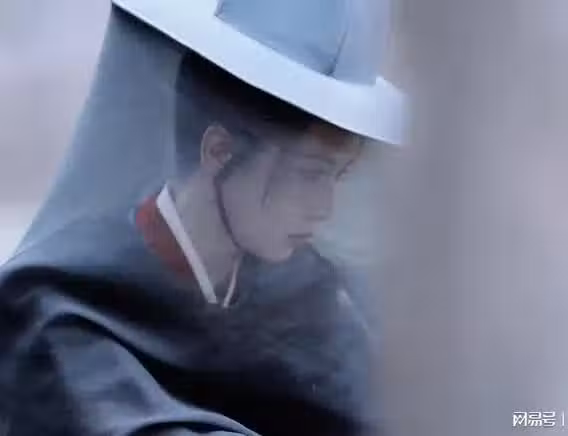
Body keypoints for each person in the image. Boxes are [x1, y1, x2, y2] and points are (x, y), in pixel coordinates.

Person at [0, 1, 405, 435]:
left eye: (337, 177)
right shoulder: (62, 307)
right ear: (218, 151)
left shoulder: (313, 303)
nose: (324, 207)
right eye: (309, 173)